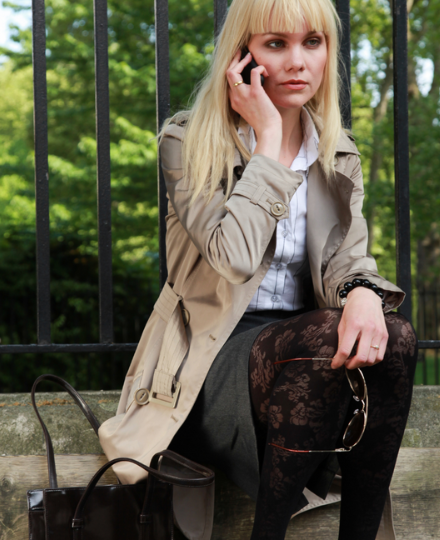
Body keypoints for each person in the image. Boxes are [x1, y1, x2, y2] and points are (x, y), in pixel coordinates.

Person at [101, 0, 418, 539]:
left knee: (398, 337)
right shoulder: (187, 142)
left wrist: (364, 292)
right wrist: (268, 141)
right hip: (211, 357)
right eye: (276, 44)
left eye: (311, 43)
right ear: (241, 58)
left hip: (303, 352)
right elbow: (234, 256)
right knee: (322, 339)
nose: (298, 61)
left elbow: (347, 255)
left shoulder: (336, 152)